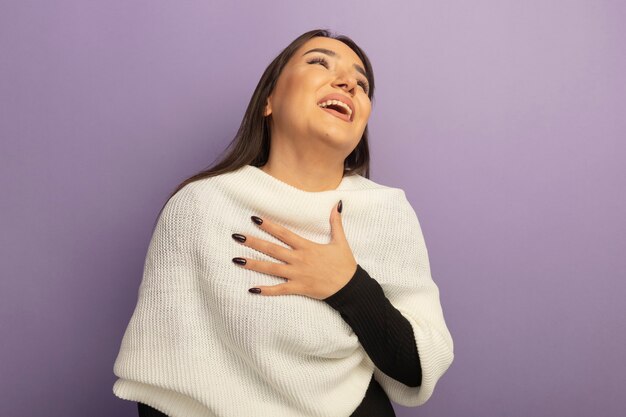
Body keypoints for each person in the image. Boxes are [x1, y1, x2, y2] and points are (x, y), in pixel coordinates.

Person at [112, 28, 454, 417]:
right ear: (269, 100)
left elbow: (415, 370)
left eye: (362, 83)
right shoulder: (200, 207)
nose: (348, 83)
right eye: (319, 62)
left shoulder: (388, 212)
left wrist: (348, 286)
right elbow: (162, 383)